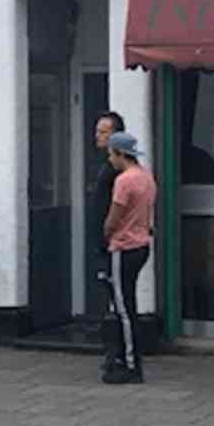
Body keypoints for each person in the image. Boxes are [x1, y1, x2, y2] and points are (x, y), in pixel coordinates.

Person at [102, 132, 156, 385]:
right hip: (142, 245)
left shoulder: (124, 181)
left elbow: (114, 216)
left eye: (111, 154)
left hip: (123, 248)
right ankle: (127, 359)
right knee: (129, 303)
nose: (110, 159)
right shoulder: (146, 177)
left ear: (121, 154)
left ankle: (132, 364)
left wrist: (105, 233)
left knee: (124, 310)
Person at [90, 111, 125, 370]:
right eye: (98, 131)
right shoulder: (105, 165)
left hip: (113, 242)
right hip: (104, 241)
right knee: (112, 297)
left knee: (118, 300)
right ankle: (113, 351)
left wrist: (107, 234)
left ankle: (118, 354)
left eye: (104, 132)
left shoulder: (117, 170)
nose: (98, 136)